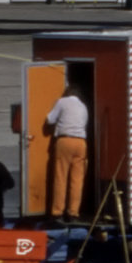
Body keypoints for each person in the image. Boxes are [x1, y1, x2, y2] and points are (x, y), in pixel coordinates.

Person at [46, 84, 90, 223]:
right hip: (81, 143)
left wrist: (54, 105)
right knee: (77, 180)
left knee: (61, 177)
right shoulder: (83, 106)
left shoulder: (62, 102)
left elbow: (50, 119)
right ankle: (73, 213)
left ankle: (57, 212)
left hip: (65, 140)